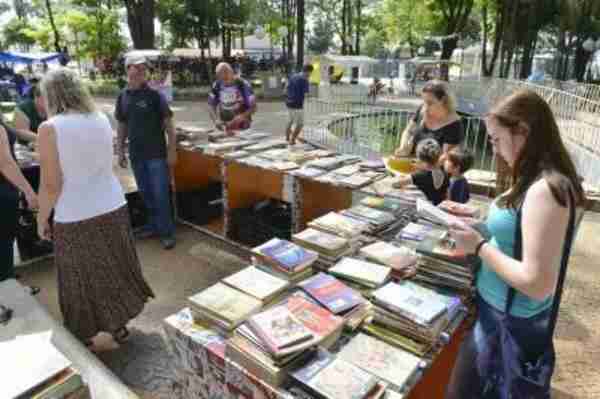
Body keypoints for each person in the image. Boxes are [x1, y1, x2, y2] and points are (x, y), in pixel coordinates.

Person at [445, 89, 586, 398]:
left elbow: (536, 283)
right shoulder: (550, 179)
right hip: (502, 318)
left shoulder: (544, 190)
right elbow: (520, 238)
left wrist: (479, 246)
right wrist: (478, 226)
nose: (493, 150)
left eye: (496, 140)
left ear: (522, 132)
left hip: (503, 327)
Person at [36, 68, 155, 350]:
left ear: (51, 95)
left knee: (78, 276)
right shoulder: (100, 118)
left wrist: (41, 219)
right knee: (114, 265)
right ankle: (118, 324)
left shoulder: (49, 128)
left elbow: (51, 185)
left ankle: (83, 333)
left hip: (76, 214)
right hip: (112, 205)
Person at [116, 55, 178, 250]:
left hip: (157, 155)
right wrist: (120, 151)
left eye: (145, 68)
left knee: (160, 194)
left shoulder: (154, 95)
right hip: (137, 155)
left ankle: (167, 232)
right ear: (129, 69)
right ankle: (153, 226)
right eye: (139, 68)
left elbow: (169, 124)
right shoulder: (123, 96)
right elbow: (121, 125)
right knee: (146, 193)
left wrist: (172, 150)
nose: (143, 71)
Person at [0, 117, 38, 283]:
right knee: (3, 247)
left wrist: (40, 136)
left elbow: (12, 131)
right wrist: (29, 192)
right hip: (2, 192)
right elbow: (5, 163)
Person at [395, 80, 464, 158]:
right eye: (424, 101)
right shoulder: (422, 109)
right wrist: (403, 147)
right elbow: (408, 131)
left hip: (432, 169)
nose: (426, 107)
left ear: (443, 100)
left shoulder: (454, 124)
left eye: (430, 103)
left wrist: (422, 165)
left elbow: (446, 158)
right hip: (411, 164)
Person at [392, 138, 449, 205]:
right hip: (437, 208)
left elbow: (395, 184)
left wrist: (399, 175)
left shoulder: (420, 175)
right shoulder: (444, 172)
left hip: (425, 210)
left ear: (419, 157)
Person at [208, 62, 257, 134]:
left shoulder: (243, 84)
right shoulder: (217, 85)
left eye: (227, 78)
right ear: (218, 76)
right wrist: (216, 120)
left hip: (242, 125)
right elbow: (211, 105)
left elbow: (254, 107)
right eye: (222, 79)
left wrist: (242, 116)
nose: (225, 82)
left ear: (232, 72)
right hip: (225, 124)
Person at [285, 64, 314, 146]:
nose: (310, 74)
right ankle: (292, 140)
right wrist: (312, 97)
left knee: (290, 121)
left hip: (288, 101)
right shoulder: (304, 79)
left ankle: (287, 138)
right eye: (310, 73)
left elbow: (286, 88)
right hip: (297, 103)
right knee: (300, 123)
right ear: (309, 71)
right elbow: (307, 94)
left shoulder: (293, 76)